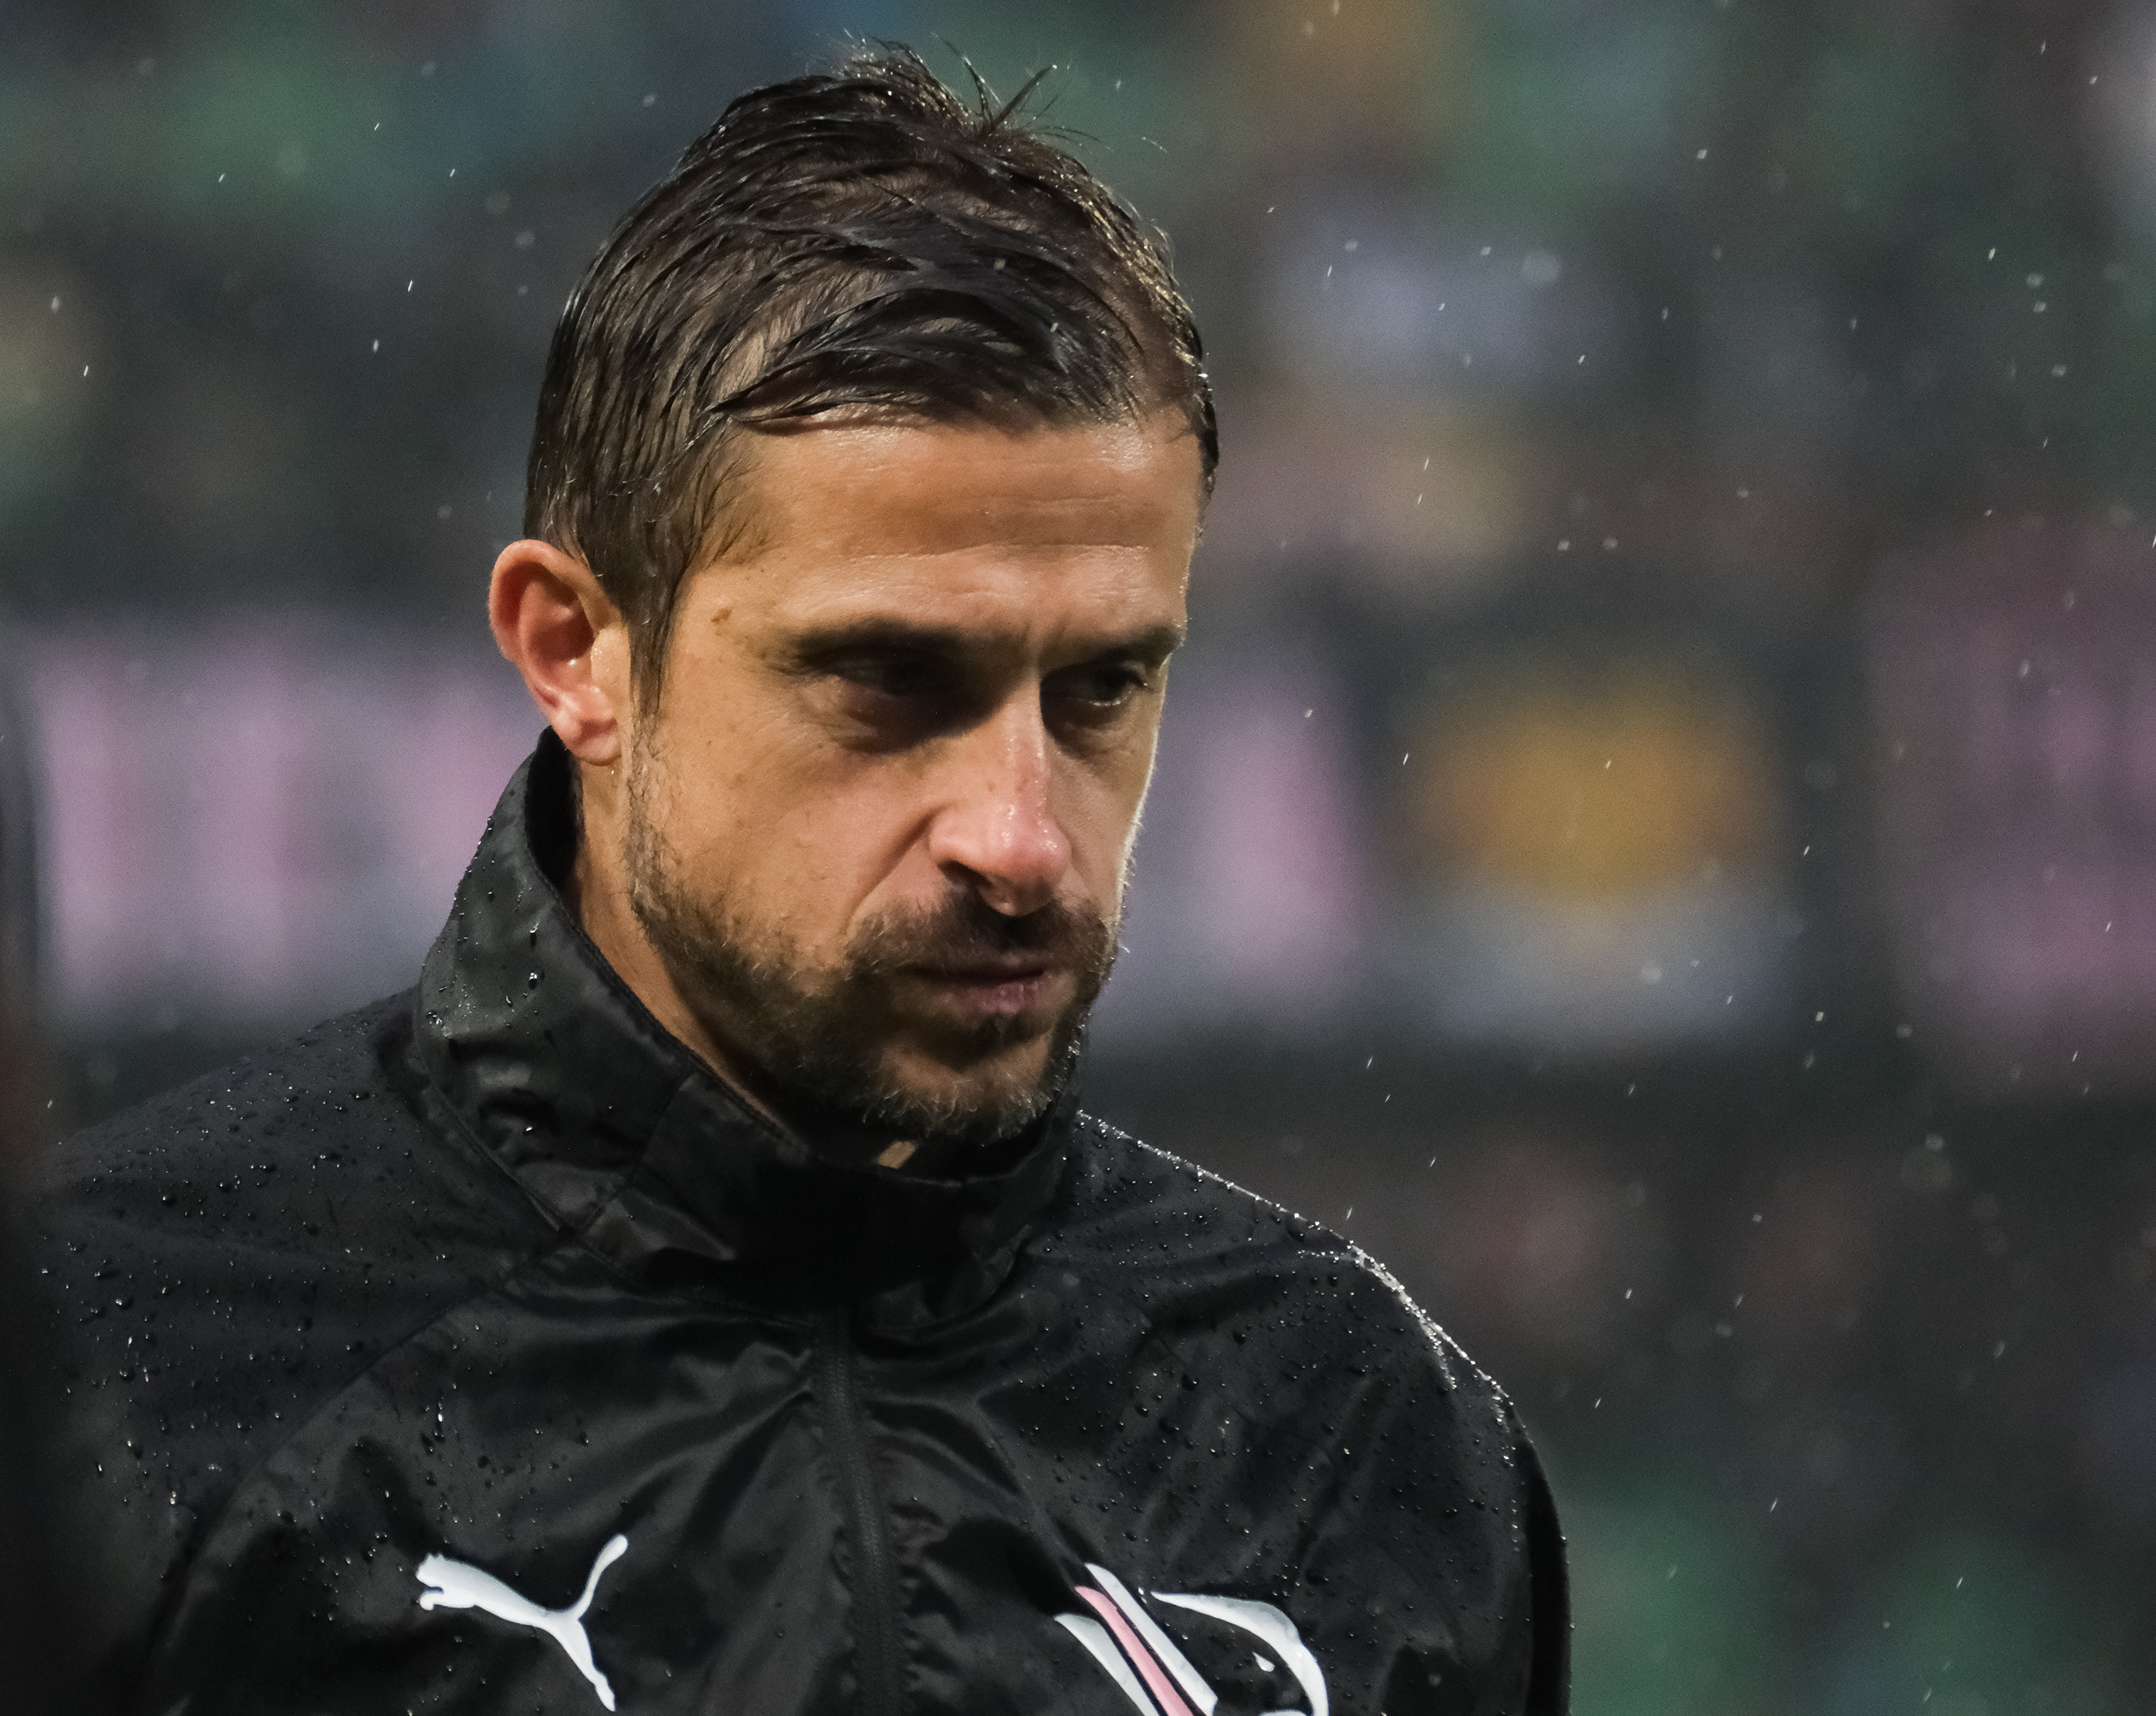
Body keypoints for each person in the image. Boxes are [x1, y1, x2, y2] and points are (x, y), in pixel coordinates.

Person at [32, 48, 1569, 1716]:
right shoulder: (115, 1375)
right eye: (888, 681)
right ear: (579, 650)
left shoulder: (1352, 1428)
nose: (1021, 833)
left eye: (1102, 689)